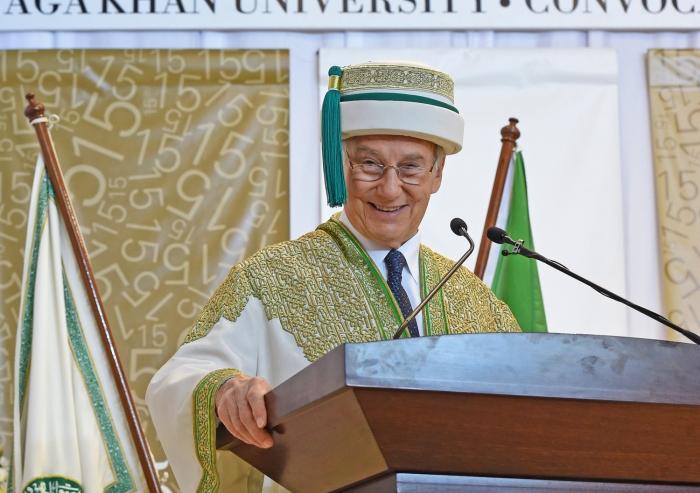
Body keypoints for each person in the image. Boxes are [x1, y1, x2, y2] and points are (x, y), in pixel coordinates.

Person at [146, 60, 520, 493]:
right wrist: (223, 390)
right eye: (370, 164)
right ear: (341, 167)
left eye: (411, 168)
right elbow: (178, 376)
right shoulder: (272, 277)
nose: (390, 188)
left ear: (437, 175)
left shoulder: (476, 300)